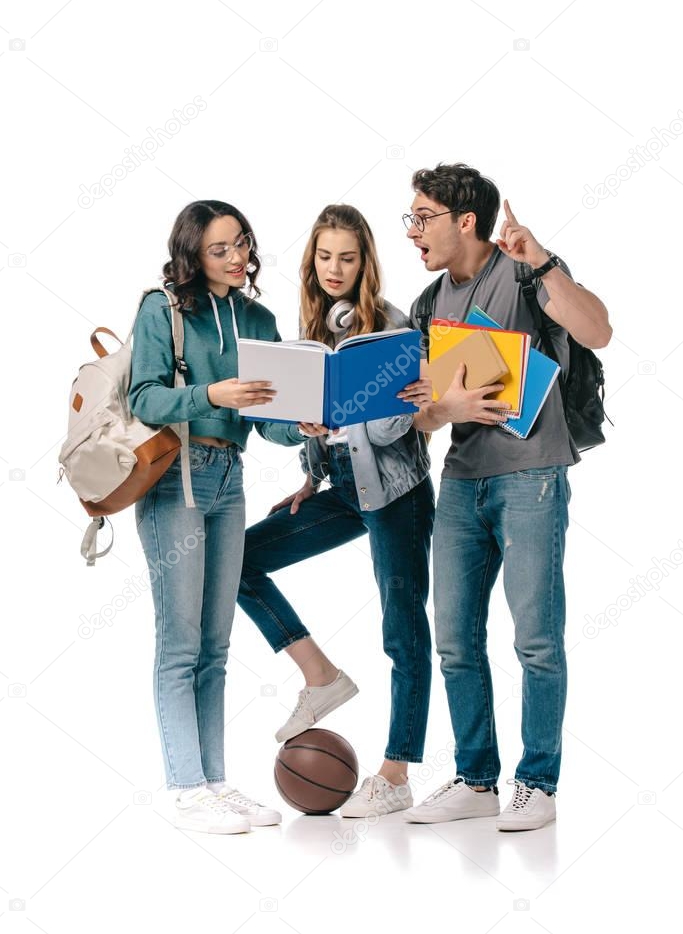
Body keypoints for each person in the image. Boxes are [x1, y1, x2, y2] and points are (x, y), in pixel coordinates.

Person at [397, 163, 612, 830]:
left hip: (531, 475)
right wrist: (446, 406)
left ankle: (537, 783)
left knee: (535, 639)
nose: (412, 232)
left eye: (421, 217)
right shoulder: (429, 305)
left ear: (465, 220)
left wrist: (542, 260)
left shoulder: (524, 271)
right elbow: (421, 417)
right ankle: (475, 777)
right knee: (455, 638)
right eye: (409, 219)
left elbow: (597, 330)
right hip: (462, 480)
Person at [236, 204, 435, 819]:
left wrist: (348, 413)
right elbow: (309, 425)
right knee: (237, 559)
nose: (334, 268)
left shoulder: (395, 328)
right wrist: (309, 462)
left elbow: (400, 428)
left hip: (397, 493)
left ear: (365, 262)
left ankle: (396, 774)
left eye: (347, 257)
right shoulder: (314, 326)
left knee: (402, 631)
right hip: (344, 489)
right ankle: (320, 676)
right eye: (324, 256)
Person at [129, 199, 309, 835]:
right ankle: (185, 787)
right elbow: (144, 396)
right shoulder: (163, 308)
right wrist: (211, 394)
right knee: (180, 644)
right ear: (191, 254)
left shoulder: (257, 317)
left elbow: (270, 421)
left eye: (241, 245)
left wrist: (305, 423)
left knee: (216, 646)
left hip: (229, 478)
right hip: (175, 477)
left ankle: (216, 783)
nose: (237, 259)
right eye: (219, 250)